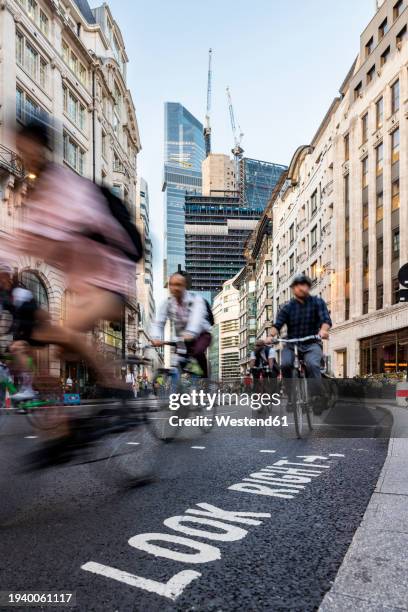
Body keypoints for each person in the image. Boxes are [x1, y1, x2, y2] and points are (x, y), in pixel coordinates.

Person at [268, 274, 331, 409]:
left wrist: (323, 330)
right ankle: (291, 396)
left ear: (308, 287)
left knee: (312, 364)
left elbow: (326, 320)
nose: (300, 288)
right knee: (284, 365)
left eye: (303, 285)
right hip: (291, 344)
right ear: (293, 289)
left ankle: (317, 396)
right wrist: (270, 336)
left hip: (312, 342)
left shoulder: (317, 302)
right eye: (297, 286)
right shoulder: (288, 307)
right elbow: (277, 324)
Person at [151, 272, 212, 378]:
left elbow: (196, 319)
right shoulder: (167, 304)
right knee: (179, 360)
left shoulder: (196, 299)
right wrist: (156, 338)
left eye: (178, 285)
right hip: (182, 338)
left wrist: (190, 333)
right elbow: (159, 323)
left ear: (184, 286)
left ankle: (205, 381)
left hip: (202, 334)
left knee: (197, 352)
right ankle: (184, 382)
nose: (175, 288)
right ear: (169, 287)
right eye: (172, 285)